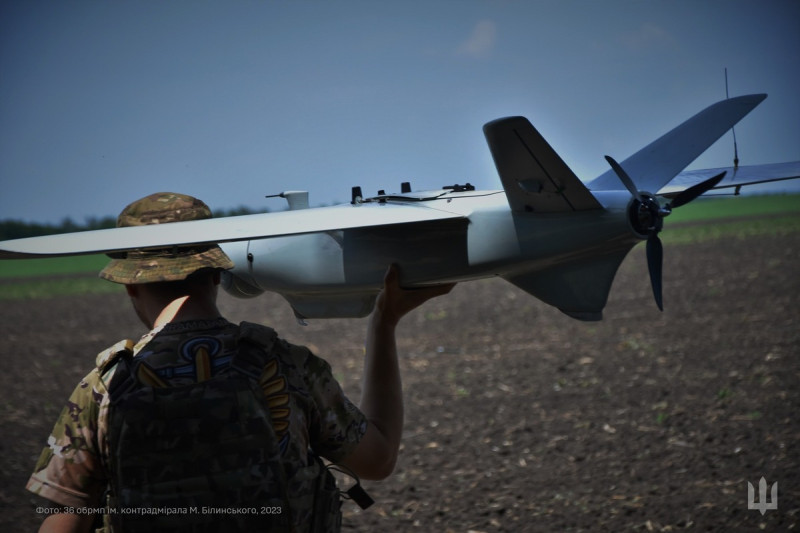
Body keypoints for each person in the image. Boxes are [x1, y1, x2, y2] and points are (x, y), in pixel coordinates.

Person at [27, 192, 454, 533]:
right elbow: (376, 461)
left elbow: (67, 516)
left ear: (131, 288)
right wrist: (384, 321)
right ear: (216, 274)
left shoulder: (104, 387)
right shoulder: (288, 366)